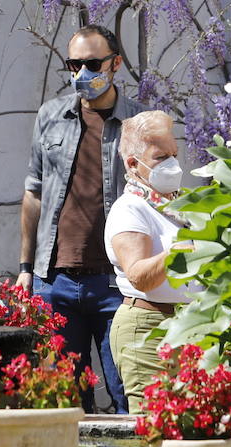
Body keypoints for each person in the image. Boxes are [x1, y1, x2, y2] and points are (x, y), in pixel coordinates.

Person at [17, 24, 143, 414]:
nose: (81, 74)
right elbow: (33, 193)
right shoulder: (51, 116)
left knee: (126, 393)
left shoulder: (139, 122)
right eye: (74, 64)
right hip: (54, 281)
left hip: (115, 284)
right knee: (61, 402)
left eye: (91, 64)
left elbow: (157, 200)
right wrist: (25, 268)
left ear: (115, 63)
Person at [105, 109, 198, 413]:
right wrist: (177, 252)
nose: (172, 164)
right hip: (148, 329)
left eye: (174, 154)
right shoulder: (130, 209)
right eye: (161, 157)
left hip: (188, 327)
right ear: (133, 164)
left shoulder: (177, 206)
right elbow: (139, 276)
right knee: (153, 432)